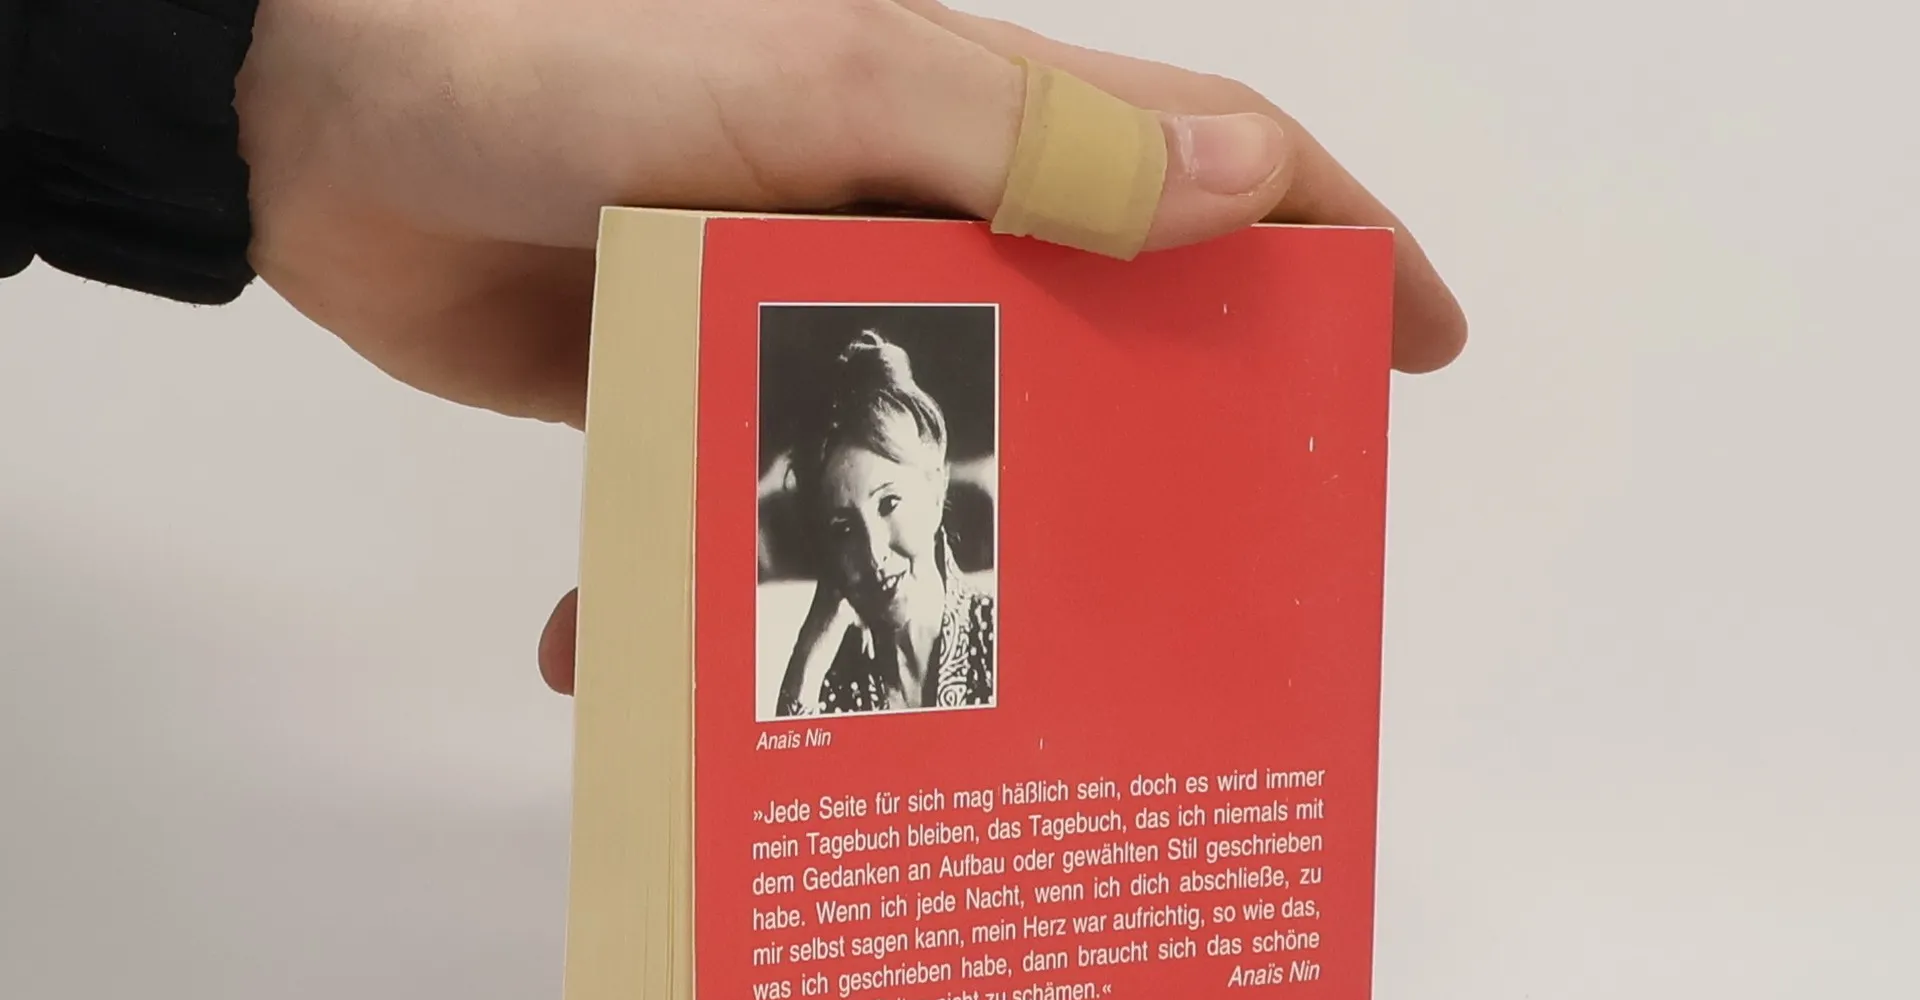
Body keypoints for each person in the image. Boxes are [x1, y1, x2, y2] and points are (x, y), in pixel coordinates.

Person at [0, 0, 1468, 692]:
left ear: (943, 490)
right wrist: (291, 98)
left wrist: (299, 91)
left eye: (886, 509)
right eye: (843, 521)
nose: (871, 547)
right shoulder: (839, 636)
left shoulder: (959, 616)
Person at [775, 331, 994, 717]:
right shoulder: (830, 677)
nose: (874, 555)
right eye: (844, 529)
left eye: (889, 503)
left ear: (936, 485)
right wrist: (807, 659)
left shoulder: (1004, 638)